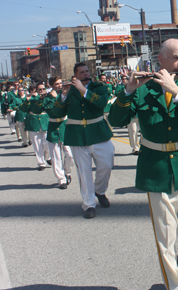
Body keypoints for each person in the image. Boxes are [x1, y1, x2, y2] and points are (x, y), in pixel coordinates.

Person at [108, 39, 178, 290]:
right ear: (161, 59)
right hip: (156, 166)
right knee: (165, 238)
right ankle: (175, 286)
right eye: (176, 57)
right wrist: (128, 91)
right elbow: (116, 119)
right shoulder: (143, 88)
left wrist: (176, 92)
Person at [52, 62, 114, 219]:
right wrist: (64, 95)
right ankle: (89, 204)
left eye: (87, 71)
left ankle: (99, 191)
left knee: (106, 165)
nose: (86, 74)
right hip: (78, 135)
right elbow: (56, 112)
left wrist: (83, 90)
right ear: (75, 75)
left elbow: (101, 103)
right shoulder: (69, 91)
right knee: (84, 172)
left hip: (99, 133)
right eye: (82, 72)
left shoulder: (99, 87)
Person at [44, 76, 74, 189]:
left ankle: (67, 172)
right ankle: (61, 179)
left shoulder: (67, 95)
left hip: (64, 126)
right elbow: (55, 113)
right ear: (51, 85)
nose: (60, 86)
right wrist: (58, 99)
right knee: (56, 156)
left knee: (69, 154)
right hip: (53, 127)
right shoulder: (47, 98)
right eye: (57, 84)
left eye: (61, 83)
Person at [19, 83, 52, 170]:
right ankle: (41, 163)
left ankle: (48, 157)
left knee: (47, 143)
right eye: (40, 89)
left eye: (43, 89)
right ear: (36, 90)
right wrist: (27, 100)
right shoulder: (31, 98)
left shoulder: (47, 97)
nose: (42, 91)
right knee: (37, 145)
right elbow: (23, 109)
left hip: (45, 121)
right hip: (33, 123)